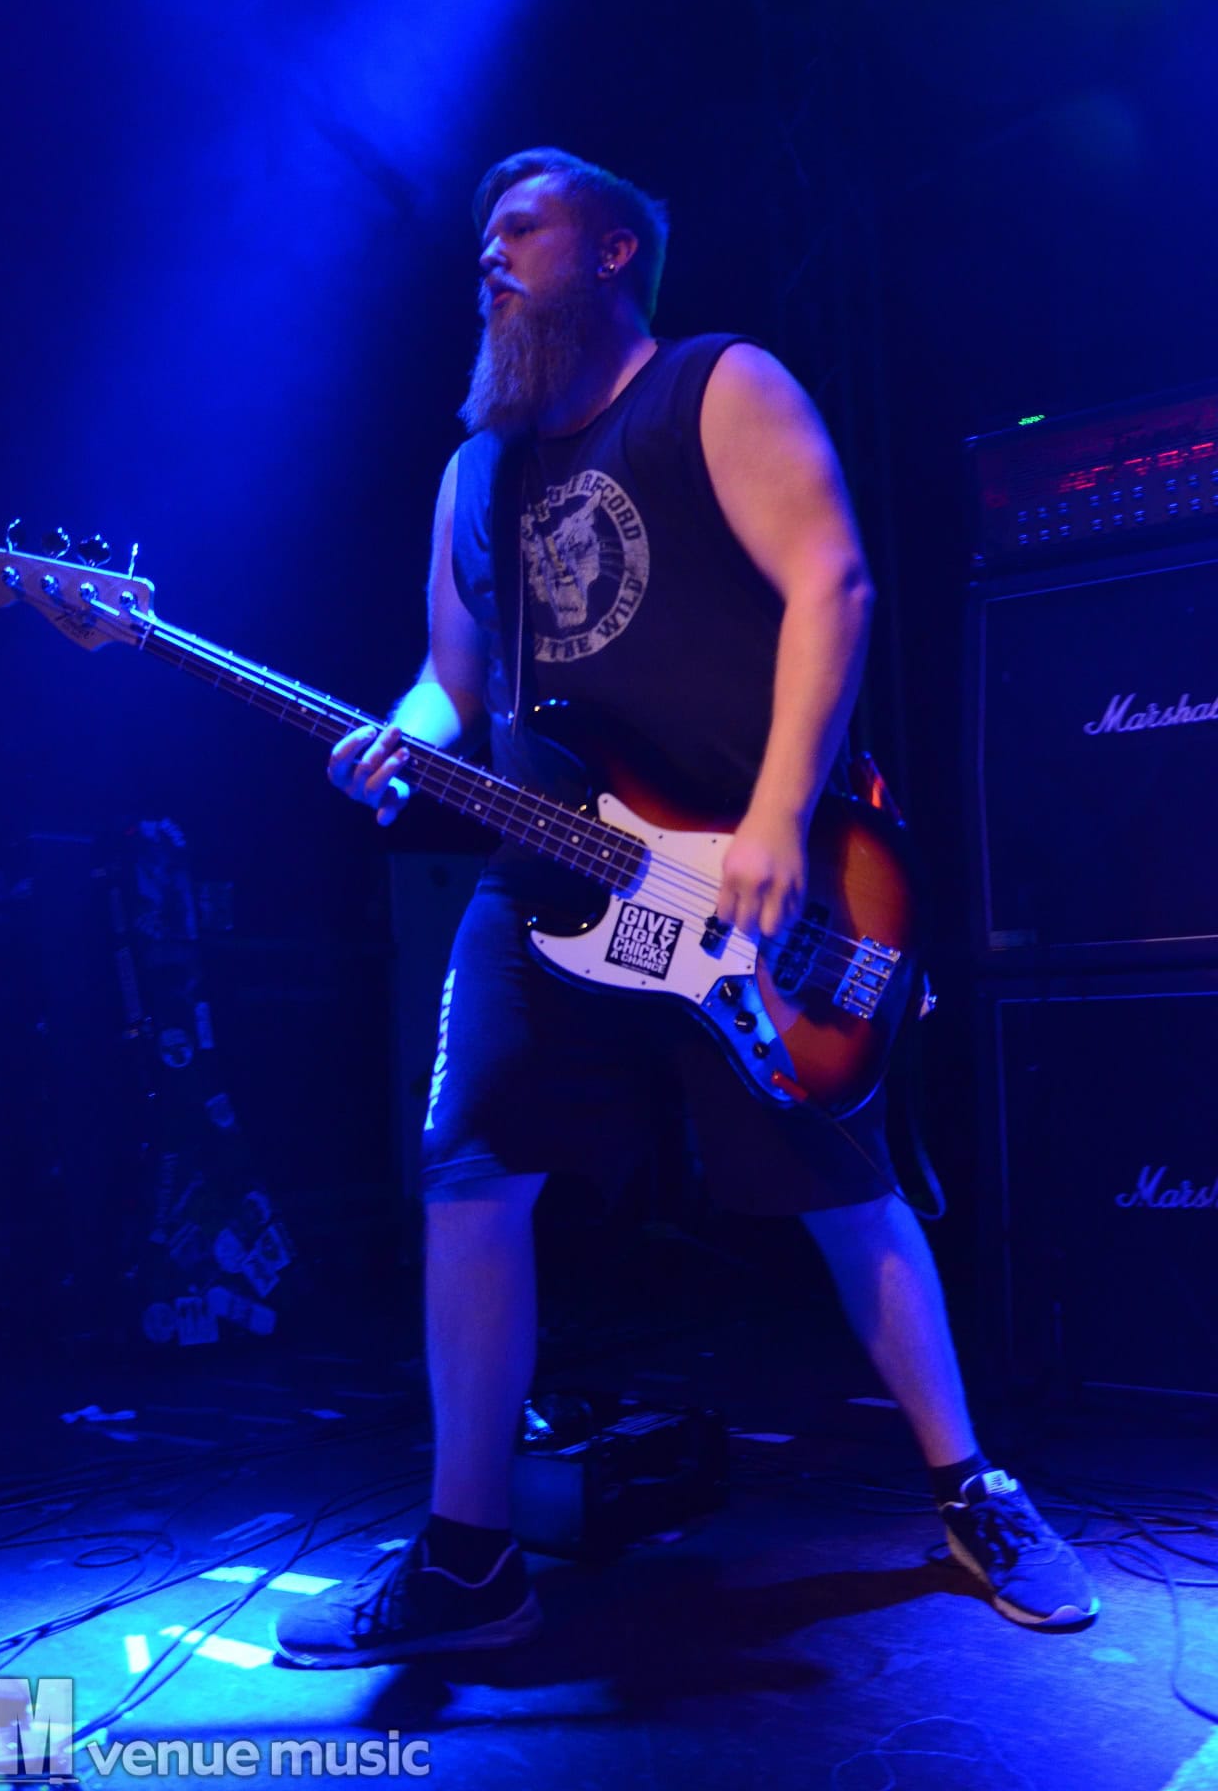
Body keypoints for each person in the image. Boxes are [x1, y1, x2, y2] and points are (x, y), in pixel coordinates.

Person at [274, 148, 1096, 1666]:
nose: (489, 255)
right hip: (546, 880)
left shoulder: (717, 386)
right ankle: (470, 1558)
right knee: (468, 1174)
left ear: (613, 250)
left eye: (522, 228)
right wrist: (398, 740)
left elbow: (834, 585)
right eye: (481, 237)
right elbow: (455, 686)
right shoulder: (474, 476)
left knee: (845, 1183)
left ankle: (972, 1487)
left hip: (754, 875)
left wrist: (779, 813)